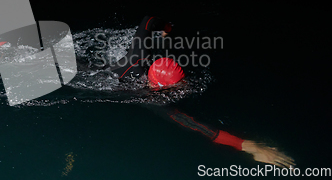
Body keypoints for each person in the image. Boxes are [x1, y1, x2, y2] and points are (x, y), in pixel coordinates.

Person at [105, 15, 295, 168]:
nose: (184, 87)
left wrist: (166, 29)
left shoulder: (139, 56)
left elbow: (149, 19)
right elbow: (196, 125)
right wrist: (249, 146)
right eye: (177, 86)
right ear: (157, 88)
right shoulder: (150, 99)